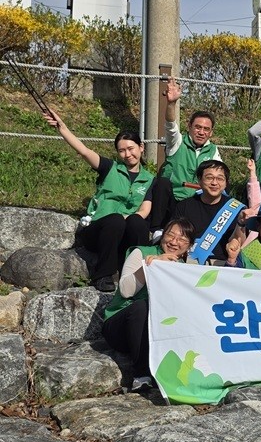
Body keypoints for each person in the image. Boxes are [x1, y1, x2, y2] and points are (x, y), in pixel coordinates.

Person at [44, 110, 153, 291]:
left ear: (141, 147)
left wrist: (128, 218)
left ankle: (137, 275)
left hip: (123, 232)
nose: (127, 154)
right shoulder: (109, 168)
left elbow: (145, 210)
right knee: (115, 220)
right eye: (122, 151)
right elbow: (83, 151)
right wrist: (62, 128)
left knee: (138, 222)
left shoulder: (149, 179)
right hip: (99, 231)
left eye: (131, 148)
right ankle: (103, 275)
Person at [102, 217, 196, 391]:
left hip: (157, 332)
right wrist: (150, 266)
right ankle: (141, 375)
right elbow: (125, 290)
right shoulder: (142, 253)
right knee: (142, 306)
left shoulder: (188, 268)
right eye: (170, 235)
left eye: (182, 239)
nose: (174, 242)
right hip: (121, 327)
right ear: (162, 235)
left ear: (189, 246)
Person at [150, 77, 221, 238]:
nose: (201, 132)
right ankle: (156, 231)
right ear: (189, 127)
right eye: (197, 127)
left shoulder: (213, 151)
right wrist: (171, 103)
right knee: (162, 183)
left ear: (211, 132)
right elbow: (170, 125)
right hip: (172, 198)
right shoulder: (177, 141)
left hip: (195, 201)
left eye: (206, 129)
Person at [173, 160, 242, 264]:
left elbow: (241, 241)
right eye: (209, 178)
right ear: (199, 180)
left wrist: (242, 223)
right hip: (189, 262)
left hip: (223, 263)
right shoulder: (184, 206)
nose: (214, 183)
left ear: (226, 183)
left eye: (220, 179)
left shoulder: (236, 209)